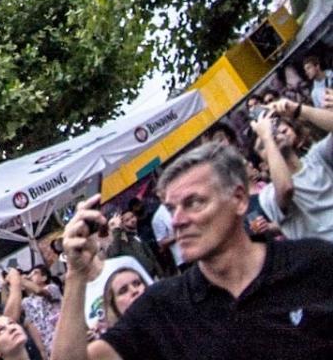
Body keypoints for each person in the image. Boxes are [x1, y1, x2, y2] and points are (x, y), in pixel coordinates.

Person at [54, 144, 333, 358]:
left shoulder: (313, 262)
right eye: (172, 209)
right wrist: (76, 274)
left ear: (238, 199)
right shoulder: (163, 307)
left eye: (194, 203)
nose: (177, 221)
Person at [256, 98, 333, 240]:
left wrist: (298, 109)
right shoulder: (268, 194)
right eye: (262, 145)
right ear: (265, 165)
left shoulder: (317, 158)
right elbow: (286, 188)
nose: (273, 134)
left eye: (273, 129)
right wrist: (267, 137)